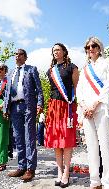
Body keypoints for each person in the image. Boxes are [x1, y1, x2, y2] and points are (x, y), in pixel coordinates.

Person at [77, 36, 109, 189]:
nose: (90, 49)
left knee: (105, 146)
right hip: (86, 111)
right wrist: (84, 106)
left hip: (101, 108)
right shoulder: (84, 69)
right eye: (88, 47)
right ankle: (95, 181)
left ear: (99, 48)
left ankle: (108, 182)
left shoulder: (108, 62)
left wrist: (95, 104)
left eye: (93, 46)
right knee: (91, 147)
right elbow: (79, 90)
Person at [4, 48, 44, 182]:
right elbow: (7, 93)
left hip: (28, 106)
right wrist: (5, 108)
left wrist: (39, 104)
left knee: (29, 137)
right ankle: (21, 166)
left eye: (21, 54)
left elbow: (39, 89)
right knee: (18, 137)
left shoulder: (31, 69)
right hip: (14, 107)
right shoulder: (10, 72)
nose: (18, 56)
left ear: (25, 57)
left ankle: (30, 169)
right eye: (16, 54)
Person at [44, 43, 79, 188]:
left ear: (64, 52)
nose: (55, 52)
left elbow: (77, 88)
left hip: (67, 107)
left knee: (67, 140)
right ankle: (59, 171)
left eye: (58, 50)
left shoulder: (72, 67)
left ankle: (66, 173)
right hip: (53, 107)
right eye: (53, 50)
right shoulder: (50, 70)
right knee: (56, 142)